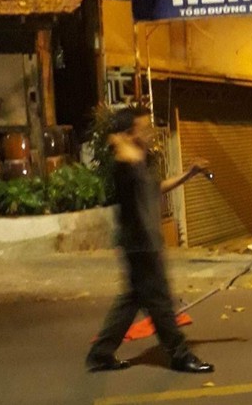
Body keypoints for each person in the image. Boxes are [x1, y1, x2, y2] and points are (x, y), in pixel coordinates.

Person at [86, 106, 214, 373]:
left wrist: (189, 173)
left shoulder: (137, 162)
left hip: (142, 243)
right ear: (128, 133)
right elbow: (122, 151)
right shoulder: (125, 163)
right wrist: (120, 138)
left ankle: (100, 353)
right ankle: (180, 355)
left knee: (131, 301)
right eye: (143, 128)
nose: (149, 133)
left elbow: (155, 188)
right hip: (141, 244)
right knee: (160, 301)